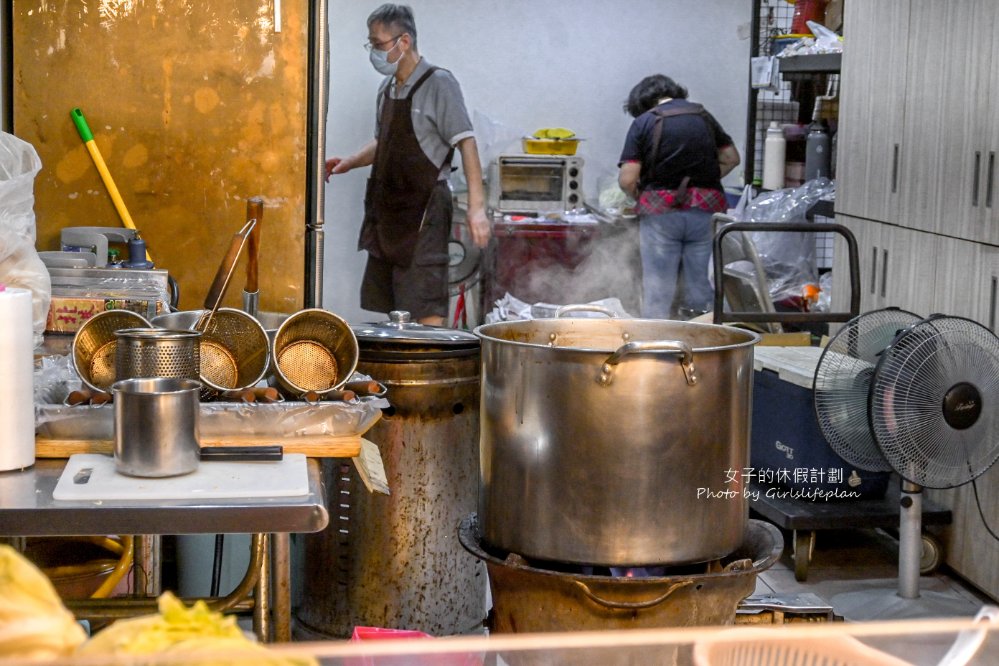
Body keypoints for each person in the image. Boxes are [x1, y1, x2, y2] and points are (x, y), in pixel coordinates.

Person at [325, 4, 490, 326]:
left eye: (378, 43)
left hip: (425, 211)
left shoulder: (439, 83)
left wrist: (476, 208)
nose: (373, 51)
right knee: (396, 304)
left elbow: (466, 142)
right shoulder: (386, 90)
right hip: (389, 210)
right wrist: (349, 162)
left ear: (404, 42)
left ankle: (427, 367)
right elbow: (384, 141)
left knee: (424, 301)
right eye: (371, 43)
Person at [617, 74, 740, 319]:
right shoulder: (703, 117)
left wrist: (640, 196)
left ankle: (656, 348)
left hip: (661, 215)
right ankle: (703, 346)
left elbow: (628, 178)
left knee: (659, 290)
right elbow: (731, 158)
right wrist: (705, 181)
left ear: (641, 103)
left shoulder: (644, 122)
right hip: (705, 213)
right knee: (701, 288)